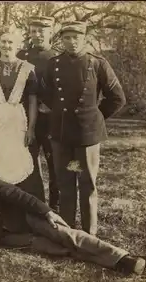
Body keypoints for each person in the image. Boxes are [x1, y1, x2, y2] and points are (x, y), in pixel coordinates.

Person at [0, 151, 146, 276]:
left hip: (22, 217)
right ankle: (124, 263)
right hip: (4, 238)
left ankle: (121, 257)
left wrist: (47, 211)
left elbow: (15, 194)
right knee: (55, 249)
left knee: (65, 235)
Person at [40, 21, 126, 235]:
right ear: (61, 40)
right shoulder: (54, 64)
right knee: (66, 182)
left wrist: (95, 118)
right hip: (62, 136)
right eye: (67, 37)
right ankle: (69, 232)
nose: (71, 42)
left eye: (75, 37)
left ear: (84, 39)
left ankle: (90, 233)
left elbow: (117, 98)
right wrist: (60, 112)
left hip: (86, 137)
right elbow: (46, 93)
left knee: (87, 184)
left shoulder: (97, 63)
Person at [0, 26, 45, 203]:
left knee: (20, 163)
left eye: (10, 42)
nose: (6, 45)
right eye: (3, 42)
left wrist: (31, 129)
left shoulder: (27, 68)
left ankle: (25, 212)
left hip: (18, 122)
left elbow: (32, 101)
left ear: (18, 45)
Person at [17, 16, 60, 211]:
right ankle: (33, 207)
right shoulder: (20, 56)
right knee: (27, 165)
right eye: (33, 31)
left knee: (56, 166)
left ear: (51, 32)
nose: (37, 35)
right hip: (25, 120)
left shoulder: (58, 57)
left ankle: (56, 208)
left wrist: (52, 106)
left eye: (42, 31)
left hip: (52, 121)